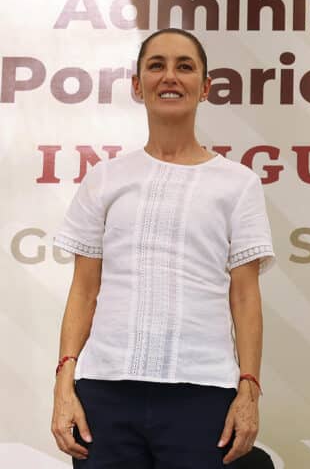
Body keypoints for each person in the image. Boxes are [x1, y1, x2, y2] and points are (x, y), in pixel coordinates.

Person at [50, 28, 274, 468]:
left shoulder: (239, 184)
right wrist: (64, 383)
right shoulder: (105, 179)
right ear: (138, 85)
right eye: (156, 66)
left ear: (205, 87)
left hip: (202, 392)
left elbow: (245, 296)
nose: (169, 77)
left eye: (184, 67)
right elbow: (83, 290)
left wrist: (248, 390)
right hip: (105, 394)